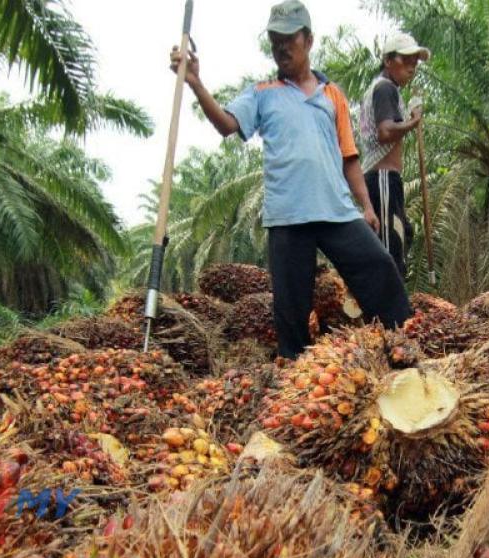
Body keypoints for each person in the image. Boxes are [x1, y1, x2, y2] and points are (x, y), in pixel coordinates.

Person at [169, 0, 412, 359]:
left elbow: (349, 157)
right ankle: (295, 383)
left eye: (289, 39)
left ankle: (406, 346)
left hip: (337, 212)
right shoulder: (262, 93)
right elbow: (226, 124)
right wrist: (195, 83)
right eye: (274, 40)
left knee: (380, 269)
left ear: (308, 40)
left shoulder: (333, 95)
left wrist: (366, 205)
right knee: (292, 312)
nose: (281, 47)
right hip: (288, 217)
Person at [357, 32, 430, 280]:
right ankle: (388, 316)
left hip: (385, 180)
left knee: (401, 236)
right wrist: (414, 121)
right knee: (390, 253)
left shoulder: (386, 90)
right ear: (389, 61)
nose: (413, 66)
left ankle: (385, 310)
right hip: (383, 179)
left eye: (416, 61)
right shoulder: (385, 88)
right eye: (407, 59)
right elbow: (386, 131)